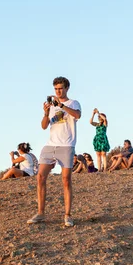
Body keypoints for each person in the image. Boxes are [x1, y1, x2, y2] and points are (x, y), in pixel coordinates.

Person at [28, 76, 81, 227]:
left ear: (67, 88)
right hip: (50, 145)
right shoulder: (51, 106)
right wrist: (46, 113)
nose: (58, 91)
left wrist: (62, 106)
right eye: (56, 89)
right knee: (40, 177)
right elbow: (44, 126)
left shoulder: (73, 103)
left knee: (66, 179)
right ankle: (40, 213)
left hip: (67, 145)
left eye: (60, 88)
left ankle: (68, 215)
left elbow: (77, 115)